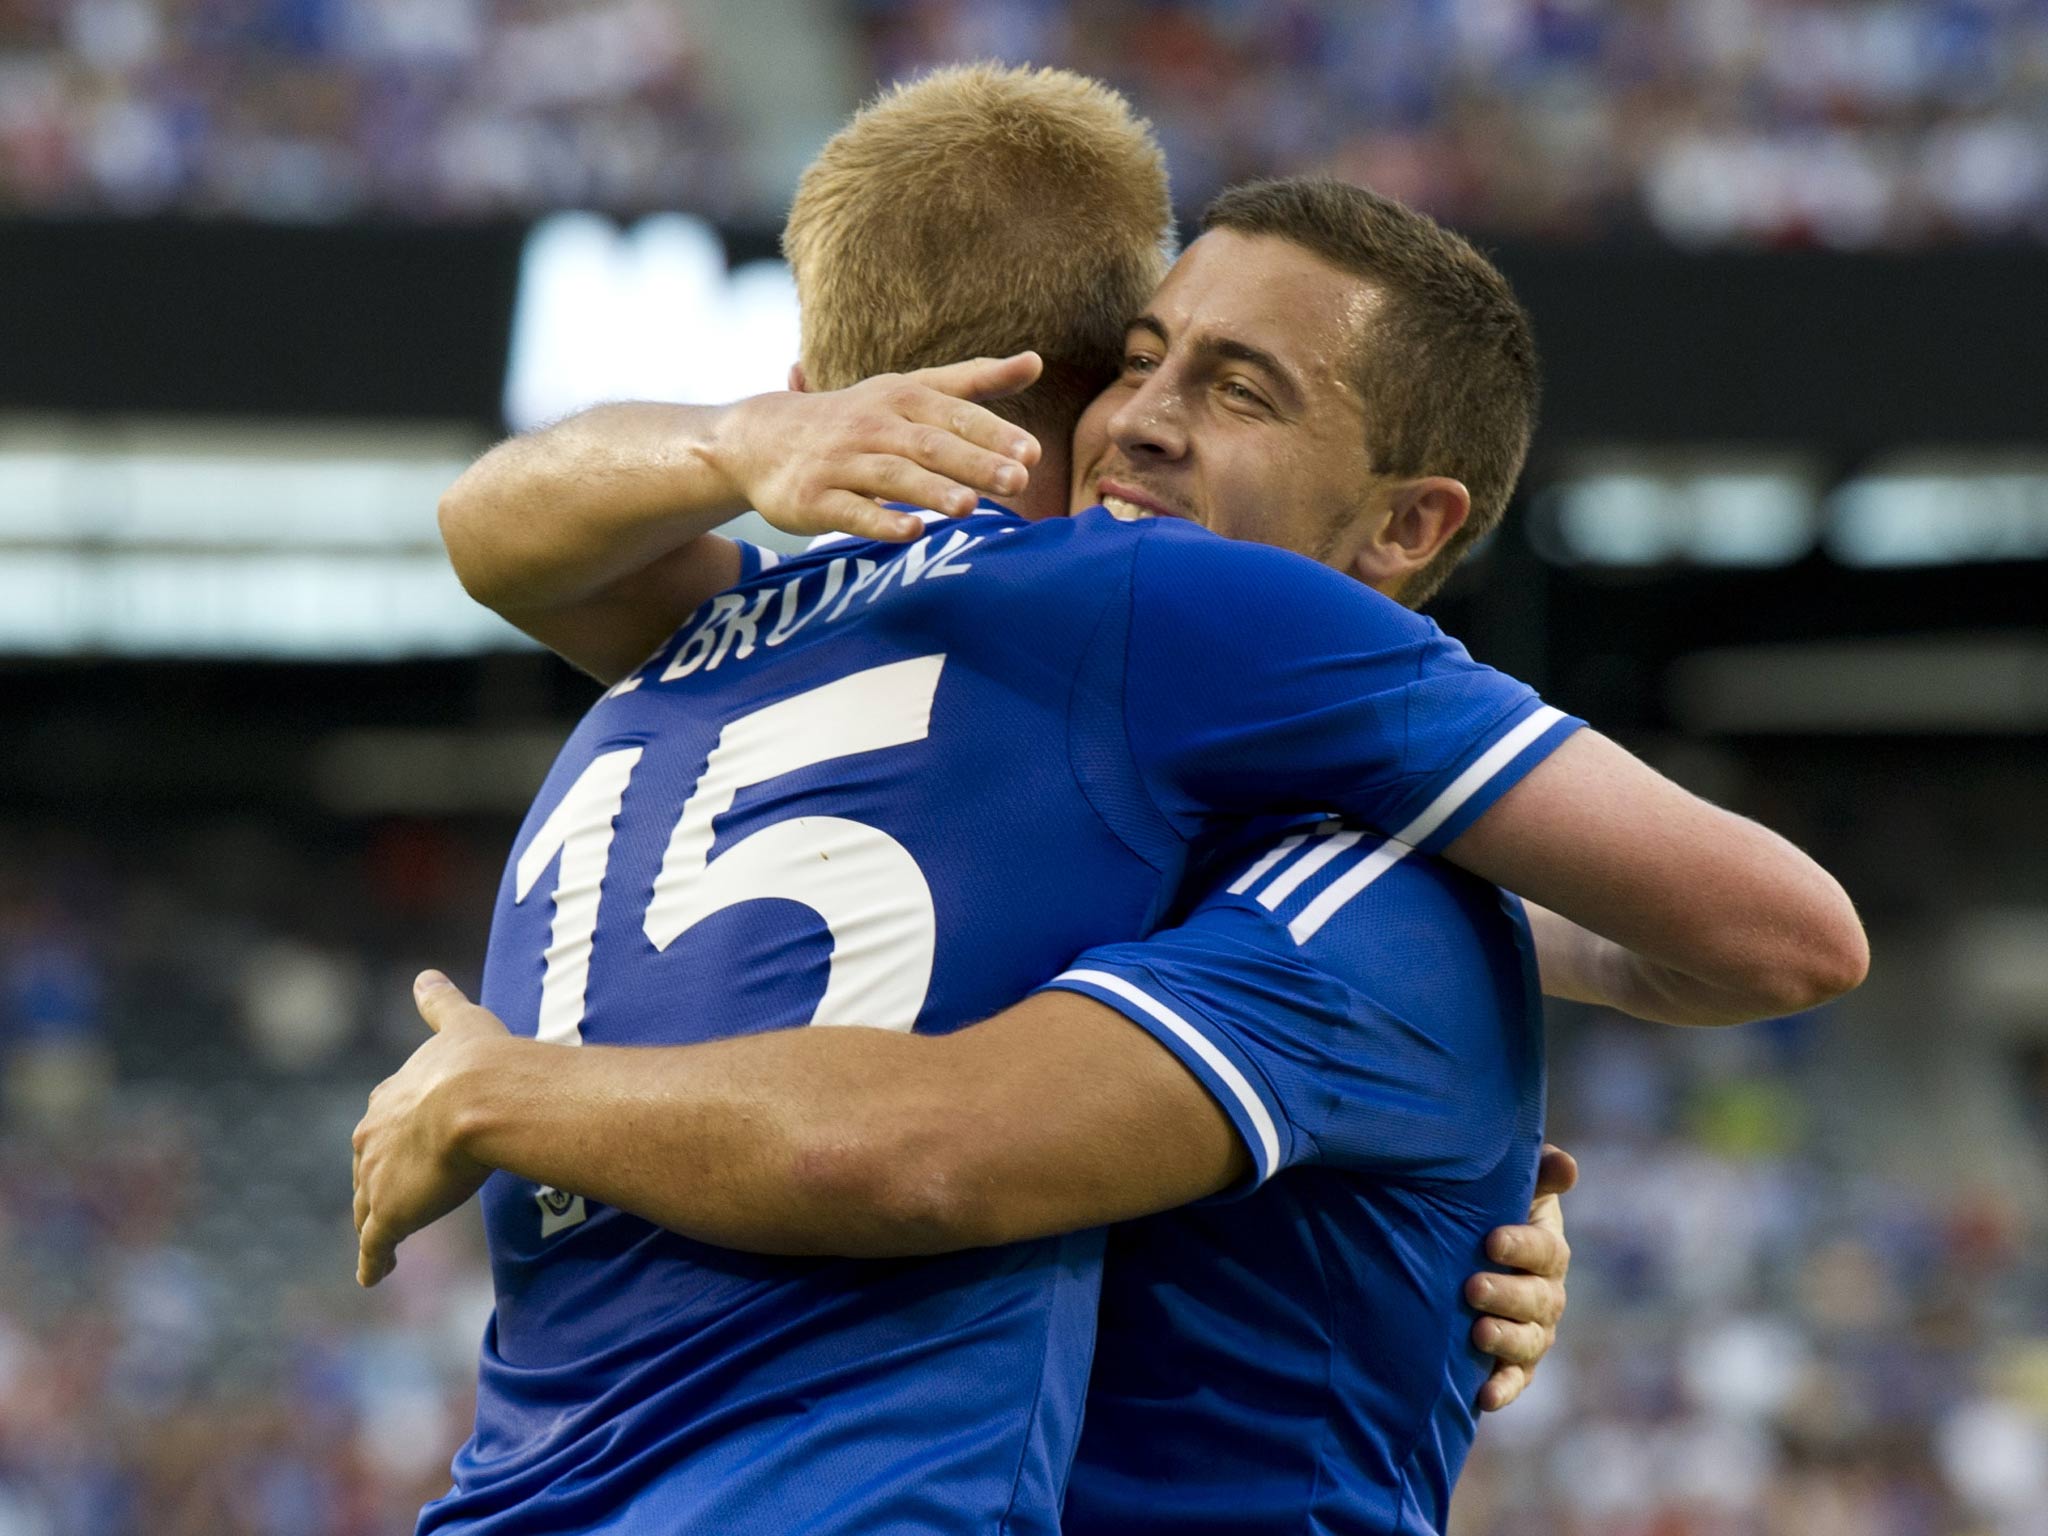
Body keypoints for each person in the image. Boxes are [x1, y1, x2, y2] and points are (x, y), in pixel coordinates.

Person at [359, 68, 1865, 1535]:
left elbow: (492, 530)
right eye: (1138, 359)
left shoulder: (814, 637)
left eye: (1236, 388)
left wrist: (1483, 1006)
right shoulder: (1077, 656)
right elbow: (936, 1150)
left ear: (1412, 525)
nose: (1144, 418)